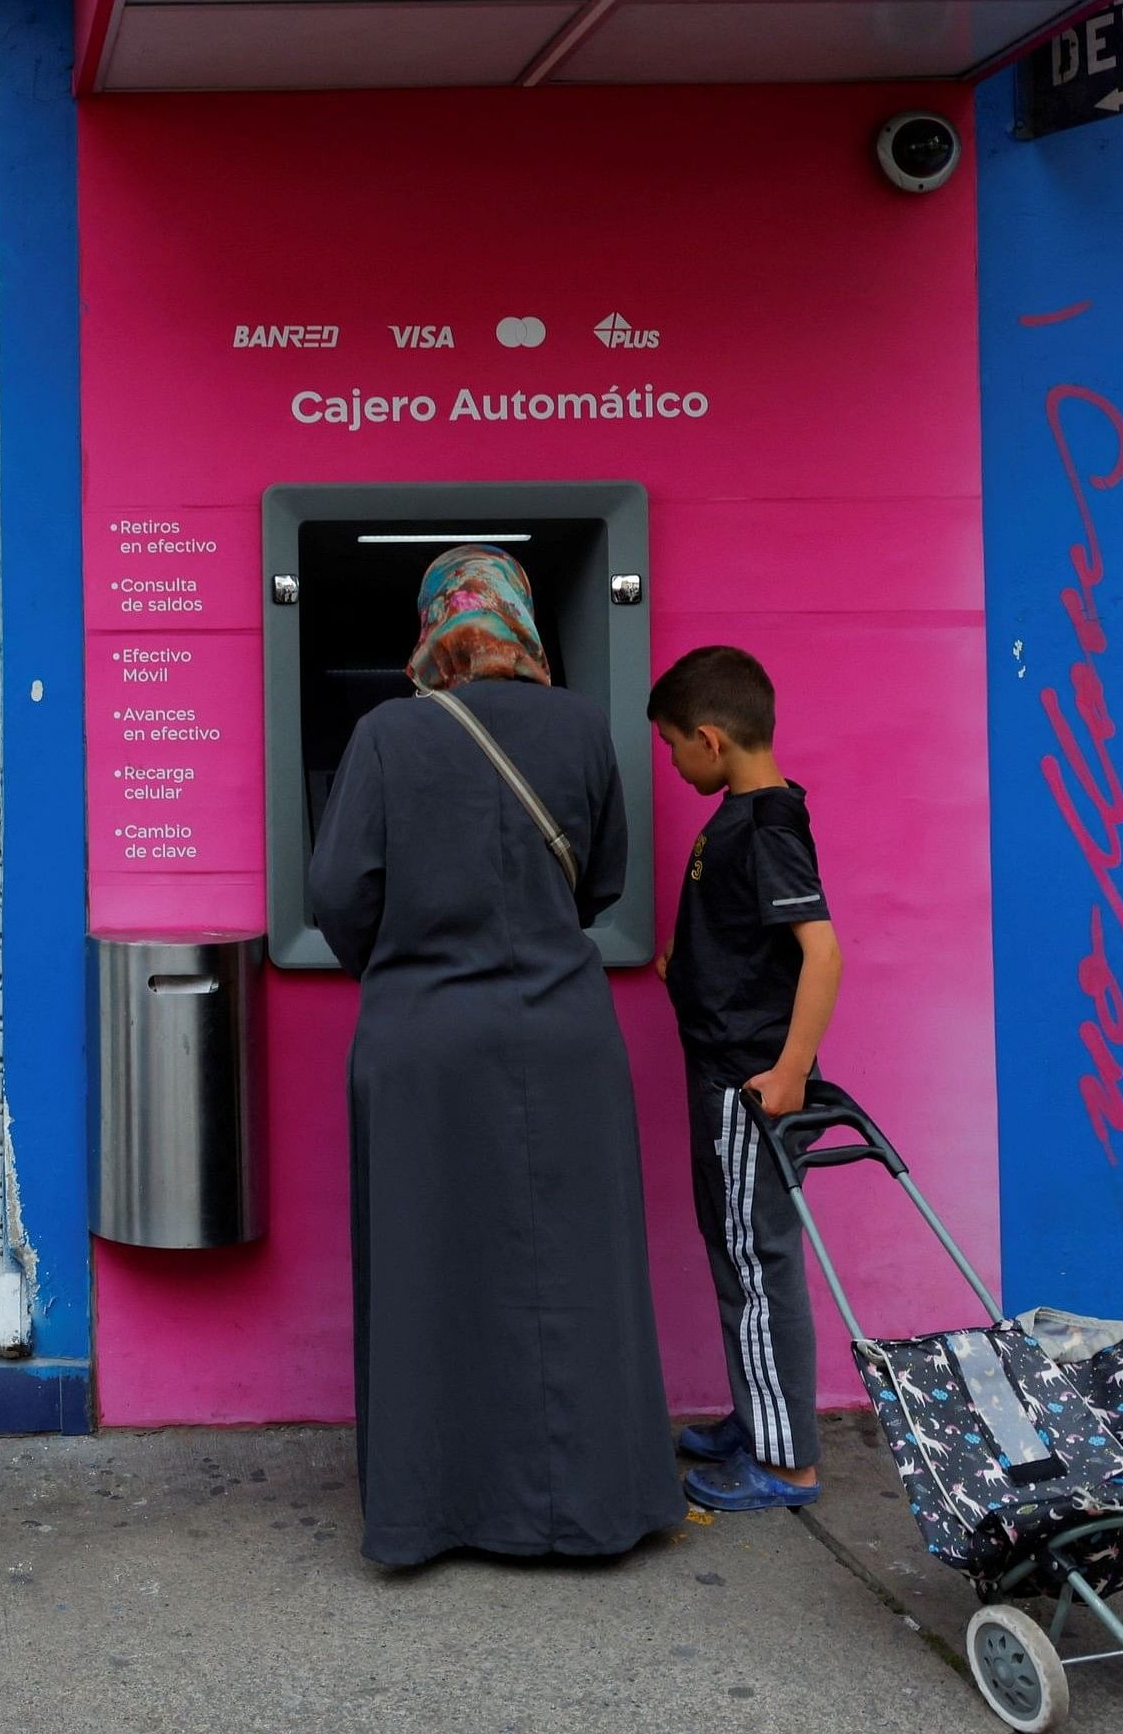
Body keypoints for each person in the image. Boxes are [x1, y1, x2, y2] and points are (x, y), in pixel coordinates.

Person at [307, 545, 678, 1566]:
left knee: (430, 1275)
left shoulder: (385, 734)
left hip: (423, 1042)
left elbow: (338, 895)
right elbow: (599, 881)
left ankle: (433, 1514)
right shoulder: (580, 726)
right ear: (520, 622)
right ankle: (595, 1506)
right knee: (575, 1273)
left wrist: (404, 961)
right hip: (564, 1033)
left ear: (434, 629)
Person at [649, 644, 845, 1513]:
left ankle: (786, 1463)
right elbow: (744, 938)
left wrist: (790, 1071)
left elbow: (822, 952)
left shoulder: (767, 825)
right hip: (724, 1070)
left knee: (759, 1260)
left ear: (710, 739)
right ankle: (757, 1415)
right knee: (735, 1249)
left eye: (672, 748)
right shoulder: (744, 813)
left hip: (748, 1083)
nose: (672, 762)